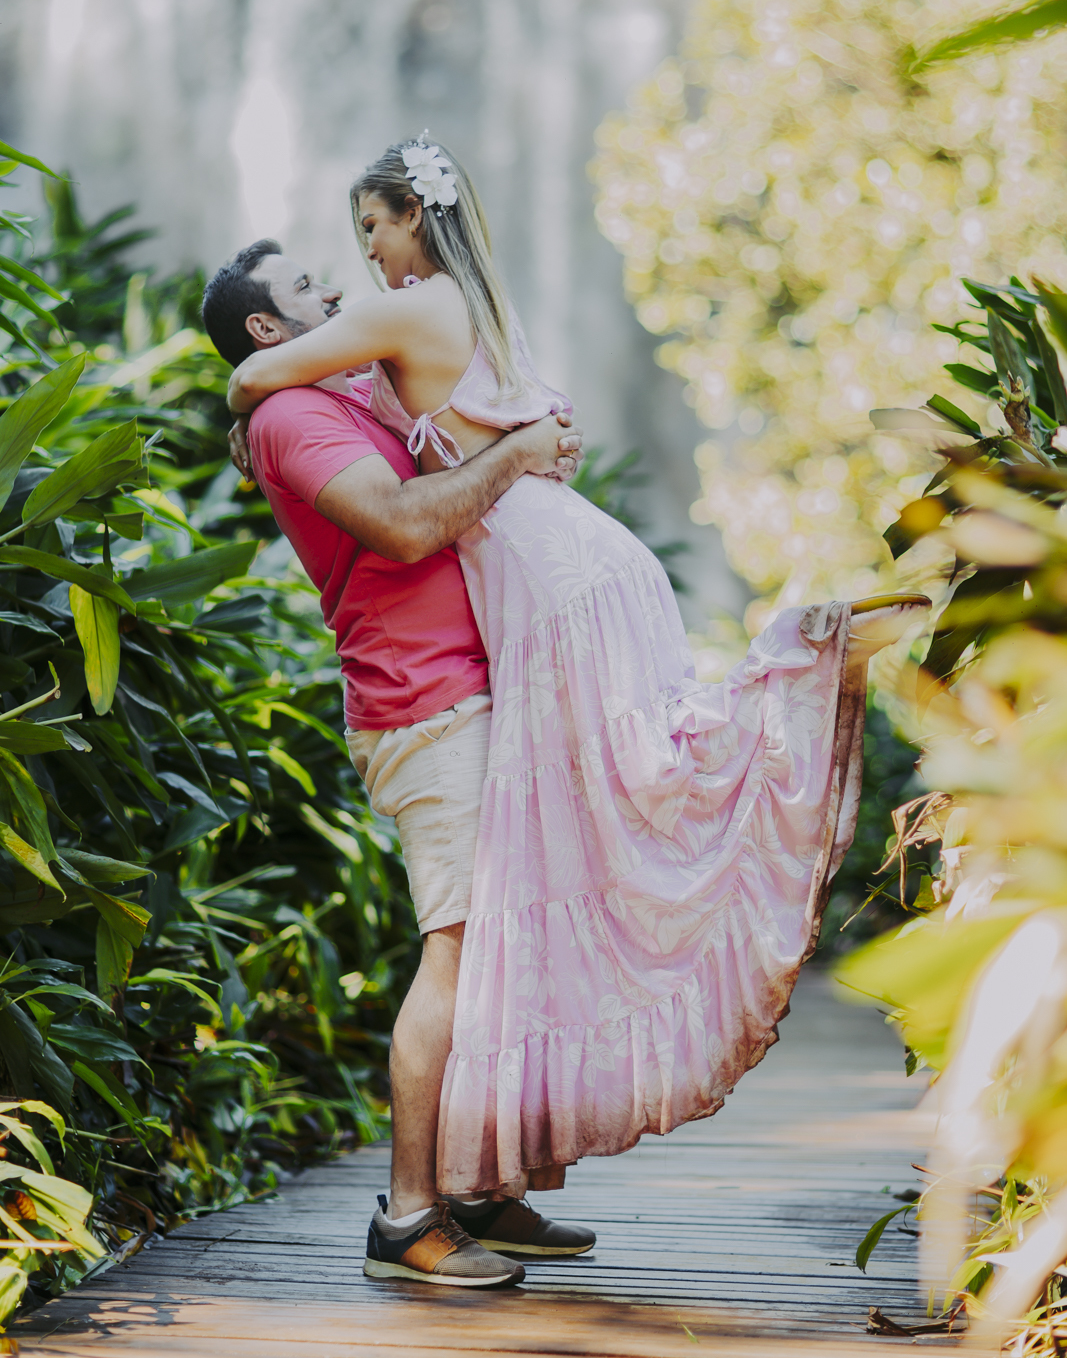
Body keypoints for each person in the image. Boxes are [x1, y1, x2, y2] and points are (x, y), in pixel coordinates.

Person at [222, 137, 930, 1207]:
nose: (351, 262)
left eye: (370, 226)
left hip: (546, 577)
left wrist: (243, 398)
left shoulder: (403, 313)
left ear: (415, 214)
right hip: (571, 564)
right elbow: (380, 431)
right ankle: (808, 652)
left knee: (632, 784)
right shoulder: (436, 317)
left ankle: (804, 653)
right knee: (634, 781)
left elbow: (252, 372)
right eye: (331, 258)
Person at [201, 243, 596, 1289]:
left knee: (500, 945)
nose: (335, 290)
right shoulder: (290, 417)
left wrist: (529, 450)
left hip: (472, 687)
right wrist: (511, 458)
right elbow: (411, 525)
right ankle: (406, 1220)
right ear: (265, 332)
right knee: (457, 948)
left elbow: (461, 487)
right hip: (422, 710)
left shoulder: (351, 393)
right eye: (304, 291)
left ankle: (477, 1191)